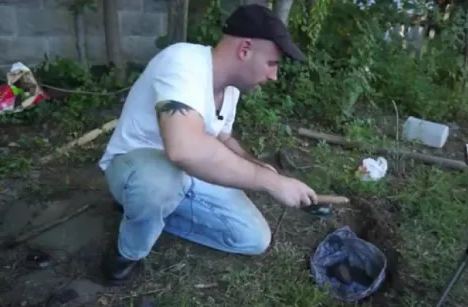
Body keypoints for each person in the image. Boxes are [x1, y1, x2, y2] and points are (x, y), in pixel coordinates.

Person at [98, 4, 318, 284]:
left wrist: (260, 167)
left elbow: (221, 137)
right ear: (245, 49)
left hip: (186, 176)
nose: (274, 75)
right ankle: (127, 253)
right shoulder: (183, 61)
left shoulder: (230, 92)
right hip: (136, 168)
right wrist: (270, 183)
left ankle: (144, 213)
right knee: (158, 181)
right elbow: (185, 149)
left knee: (253, 238)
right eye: (272, 63)